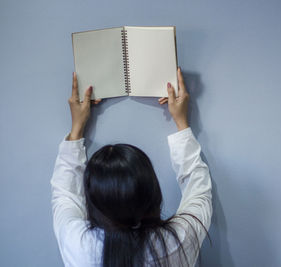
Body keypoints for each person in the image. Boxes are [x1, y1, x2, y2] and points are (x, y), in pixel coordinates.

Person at [50, 67, 212, 267]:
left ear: (92, 201)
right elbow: (199, 192)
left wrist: (76, 129)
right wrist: (181, 123)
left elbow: (64, 194)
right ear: (153, 192)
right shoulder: (176, 241)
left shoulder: (77, 244)